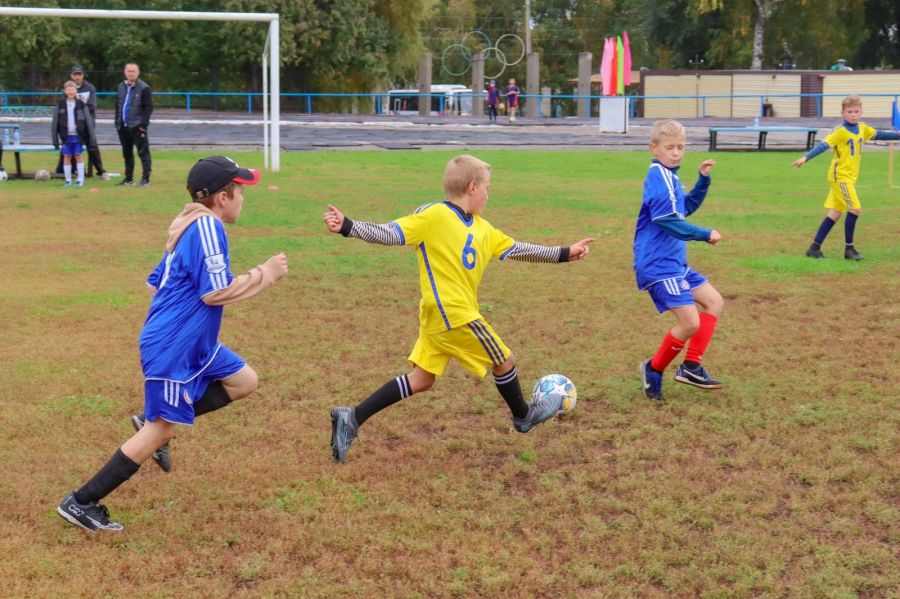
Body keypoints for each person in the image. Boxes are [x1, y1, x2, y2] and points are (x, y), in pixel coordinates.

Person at [57, 156, 289, 532]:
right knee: (162, 429)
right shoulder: (207, 229)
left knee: (244, 381)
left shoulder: (187, 225)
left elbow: (156, 281)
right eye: (240, 190)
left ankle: (147, 423)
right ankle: (82, 501)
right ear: (221, 197)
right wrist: (267, 273)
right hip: (174, 346)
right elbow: (216, 292)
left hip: (193, 341)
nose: (244, 197)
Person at [323, 154, 595, 463]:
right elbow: (392, 233)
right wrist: (348, 226)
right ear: (472, 187)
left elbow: (519, 249)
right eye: (488, 188)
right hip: (453, 314)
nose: (489, 195)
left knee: (421, 380)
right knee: (504, 359)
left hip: (438, 319)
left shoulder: (483, 229)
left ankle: (352, 418)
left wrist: (564, 253)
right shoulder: (434, 215)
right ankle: (524, 416)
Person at [634, 119, 723, 402]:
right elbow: (667, 220)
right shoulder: (658, 177)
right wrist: (704, 234)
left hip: (674, 262)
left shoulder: (669, 175)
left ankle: (692, 365)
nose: (676, 152)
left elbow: (683, 208)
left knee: (714, 302)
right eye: (670, 147)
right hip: (658, 265)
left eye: (681, 147)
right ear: (654, 148)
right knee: (690, 322)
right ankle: (653, 368)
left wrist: (703, 181)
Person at [793, 95, 900, 261]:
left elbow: (880, 135)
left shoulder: (862, 128)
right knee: (855, 209)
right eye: (849, 112)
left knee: (836, 212)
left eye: (856, 111)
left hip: (849, 177)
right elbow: (824, 145)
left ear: (861, 112)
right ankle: (849, 249)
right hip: (840, 177)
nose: (853, 114)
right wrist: (806, 157)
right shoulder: (840, 131)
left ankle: (814, 248)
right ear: (843, 113)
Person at [51, 80, 96, 187]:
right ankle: (68, 180)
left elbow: (88, 121)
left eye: (73, 89)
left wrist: (92, 138)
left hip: (78, 136)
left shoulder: (81, 104)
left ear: (76, 91)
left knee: (78, 156)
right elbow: (54, 123)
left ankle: (80, 180)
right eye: (68, 89)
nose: (71, 91)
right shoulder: (60, 105)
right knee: (67, 157)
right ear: (65, 91)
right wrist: (55, 140)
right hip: (66, 137)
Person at [114, 63, 153, 187]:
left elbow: (148, 107)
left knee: (143, 152)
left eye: (133, 71)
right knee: (127, 153)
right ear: (125, 72)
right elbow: (118, 105)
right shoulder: (121, 87)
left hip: (137, 126)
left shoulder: (144, 88)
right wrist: (117, 122)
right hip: (123, 126)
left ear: (138, 73)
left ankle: (145, 179)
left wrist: (143, 125)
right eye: (129, 71)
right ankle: (128, 178)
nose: (131, 73)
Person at [70, 65, 110, 180]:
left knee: (92, 147)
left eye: (79, 74)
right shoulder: (68, 87)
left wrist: (76, 107)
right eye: (75, 74)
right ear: (71, 76)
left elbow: (91, 106)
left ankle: (101, 171)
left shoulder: (90, 88)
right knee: (70, 146)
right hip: (72, 124)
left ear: (83, 75)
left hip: (87, 123)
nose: (77, 77)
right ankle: (72, 171)